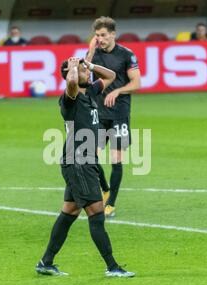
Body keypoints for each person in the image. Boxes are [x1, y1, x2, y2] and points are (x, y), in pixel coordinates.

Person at [35, 57, 135, 277]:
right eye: (81, 70)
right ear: (70, 74)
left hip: (85, 161)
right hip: (78, 162)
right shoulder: (69, 99)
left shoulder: (90, 92)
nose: (86, 73)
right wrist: (73, 68)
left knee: (69, 211)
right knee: (96, 214)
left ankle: (45, 262)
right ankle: (112, 267)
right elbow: (71, 84)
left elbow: (111, 76)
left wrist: (88, 66)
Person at [86, 17, 141, 218]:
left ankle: (110, 203)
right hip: (98, 114)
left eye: (103, 35)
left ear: (112, 34)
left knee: (116, 159)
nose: (99, 39)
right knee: (90, 157)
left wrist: (117, 92)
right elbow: (82, 75)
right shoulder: (94, 54)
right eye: (97, 35)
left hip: (119, 114)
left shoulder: (126, 55)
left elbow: (136, 83)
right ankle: (105, 187)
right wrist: (91, 51)